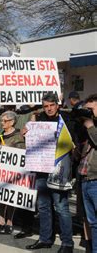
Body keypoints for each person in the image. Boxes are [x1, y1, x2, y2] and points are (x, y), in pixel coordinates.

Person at [24, 93, 78, 252]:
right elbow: (27, 135)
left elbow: (73, 141)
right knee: (43, 207)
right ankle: (45, 239)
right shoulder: (38, 118)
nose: (48, 109)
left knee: (61, 207)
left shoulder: (66, 119)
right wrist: (26, 131)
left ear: (57, 105)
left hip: (59, 169)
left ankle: (67, 243)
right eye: (46, 106)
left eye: (51, 105)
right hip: (41, 168)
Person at [0, 111, 25, 234]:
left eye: (4, 121)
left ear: (12, 122)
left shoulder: (18, 136)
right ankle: (1, 221)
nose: (2, 123)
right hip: (0, 171)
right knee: (0, 197)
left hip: (12, 172)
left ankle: (9, 222)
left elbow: (22, 153)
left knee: (10, 197)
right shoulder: (1, 135)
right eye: (1, 121)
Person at [79, 94, 97, 252]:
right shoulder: (90, 127)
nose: (89, 113)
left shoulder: (92, 127)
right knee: (93, 222)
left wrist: (90, 126)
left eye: (91, 109)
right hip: (86, 179)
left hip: (96, 180)